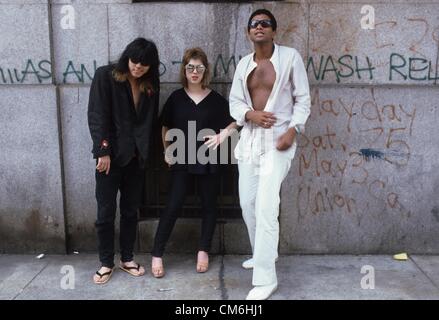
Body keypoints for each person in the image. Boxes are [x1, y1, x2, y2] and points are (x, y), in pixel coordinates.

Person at [229, 9, 311, 300]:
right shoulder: (243, 65)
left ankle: (265, 279)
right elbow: (235, 103)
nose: (259, 27)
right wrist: (250, 113)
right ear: (248, 33)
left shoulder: (290, 58)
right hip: (250, 143)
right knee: (247, 203)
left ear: (274, 31)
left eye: (265, 23)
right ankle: (263, 254)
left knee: (265, 206)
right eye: (254, 24)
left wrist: (293, 131)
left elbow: (303, 99)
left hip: (278, 144)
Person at [151, 47, 237, 278]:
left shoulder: (216, 99)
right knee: (173, 205)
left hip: (209, 158)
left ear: (205, 70)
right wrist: (168, 152)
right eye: (190, 67)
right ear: (185, 70)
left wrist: (221, 136)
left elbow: (236, 120)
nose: (195, 72)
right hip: (182, 158)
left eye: (199, 67)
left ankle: (203, 250)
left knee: (209, 205)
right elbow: (165, 126)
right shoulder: (176, 98)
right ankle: (157, 253)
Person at [88, 38, 160, 284]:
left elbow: (149, 119)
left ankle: (127, 258)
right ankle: (106, 262)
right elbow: (97, 115)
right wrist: (102, 150)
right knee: (106, 212)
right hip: (110, 157)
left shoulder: (150, 83)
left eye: (144, 64)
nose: (138, 67)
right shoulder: (106, 76)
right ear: (126, 57)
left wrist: (147, 152)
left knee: (130, 211)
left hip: (136, 158)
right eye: (134, 61)